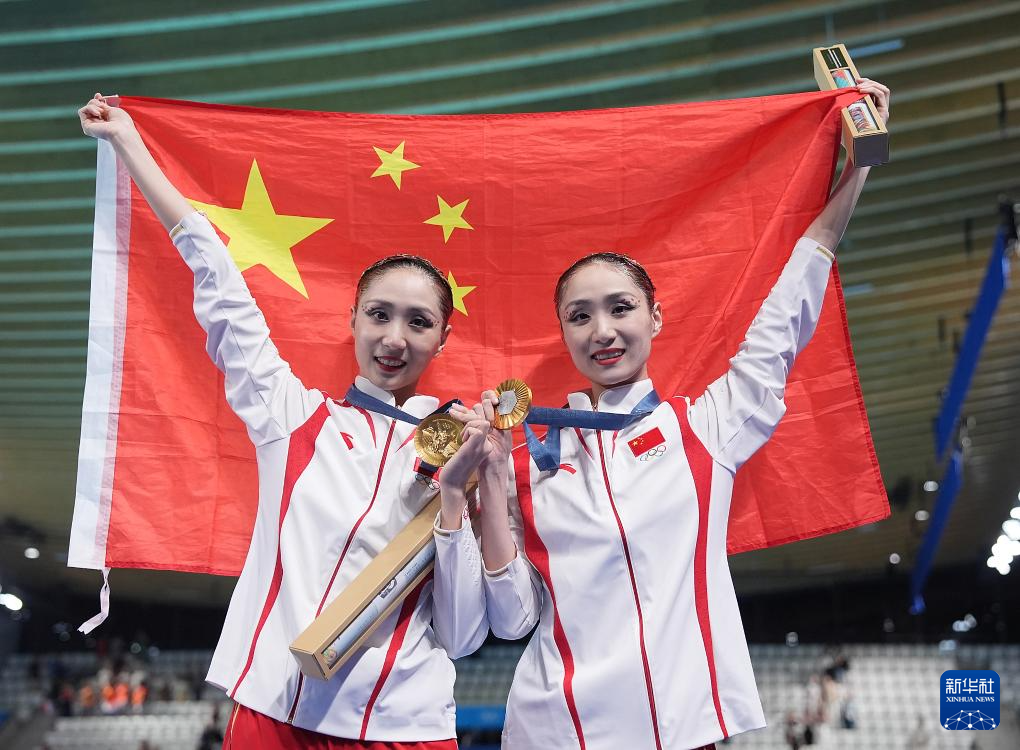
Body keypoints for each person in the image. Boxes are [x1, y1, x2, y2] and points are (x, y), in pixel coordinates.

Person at [434, 80, 891, 750]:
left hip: (683, 730)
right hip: (558, 732)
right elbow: (510, 621)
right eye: (580, 316)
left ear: (655, 317)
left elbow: (785, 316)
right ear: (564, 334)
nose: (602, 330)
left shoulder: (705, 429)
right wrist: (494, 480)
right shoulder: (532, 456)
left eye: (620, 308)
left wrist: (858, 171)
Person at [79, 93, 493, 749]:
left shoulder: (465, 449)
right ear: (352, 321)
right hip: (274, 715)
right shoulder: (292, 416)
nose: (394, 337)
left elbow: (465, 631)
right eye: (379, 314)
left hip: (406, 728)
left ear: (443, 338)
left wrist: (456, 493)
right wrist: (129, 142)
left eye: (418, 322)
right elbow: (220, 283)